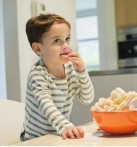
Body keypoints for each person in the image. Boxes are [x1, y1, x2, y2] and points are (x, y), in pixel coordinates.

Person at [20, 13, 95, 141]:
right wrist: (66, 126)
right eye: (57, 40)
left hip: (58, 136)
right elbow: (46, 105)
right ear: (38, 49)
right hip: (34, 140)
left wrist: (82, 72)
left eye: (67, 38)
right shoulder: (38, 74)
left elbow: (87, 98)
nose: (66, 45)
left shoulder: (71, 69)